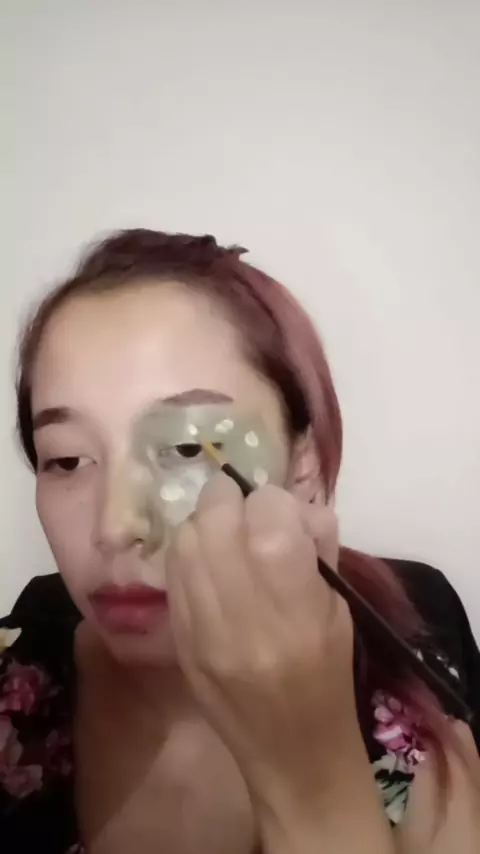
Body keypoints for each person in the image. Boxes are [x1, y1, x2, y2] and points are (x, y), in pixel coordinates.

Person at [0, 229, 479, 854]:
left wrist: (312, 777)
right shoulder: (16, 685)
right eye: (66, 460)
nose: (116, 527)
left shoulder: (418, 661)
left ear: (303, 465)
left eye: (187, 448)